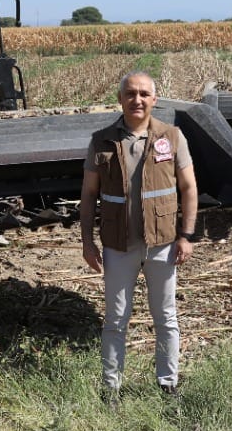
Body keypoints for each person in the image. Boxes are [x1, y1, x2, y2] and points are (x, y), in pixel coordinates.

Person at [80, 71, 199, 403]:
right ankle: (111, 388)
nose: (137, 100)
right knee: (116, 318)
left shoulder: (172, 137)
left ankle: (167, 384)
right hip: (119, 246)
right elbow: (89, 196)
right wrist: (88, 241)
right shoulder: (101, 141)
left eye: (144, 94)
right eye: (130, 94)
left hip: (162, 243)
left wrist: (186, 236)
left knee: (165, 317)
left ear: (154, 100)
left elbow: (189, 188)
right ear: (120, 99)